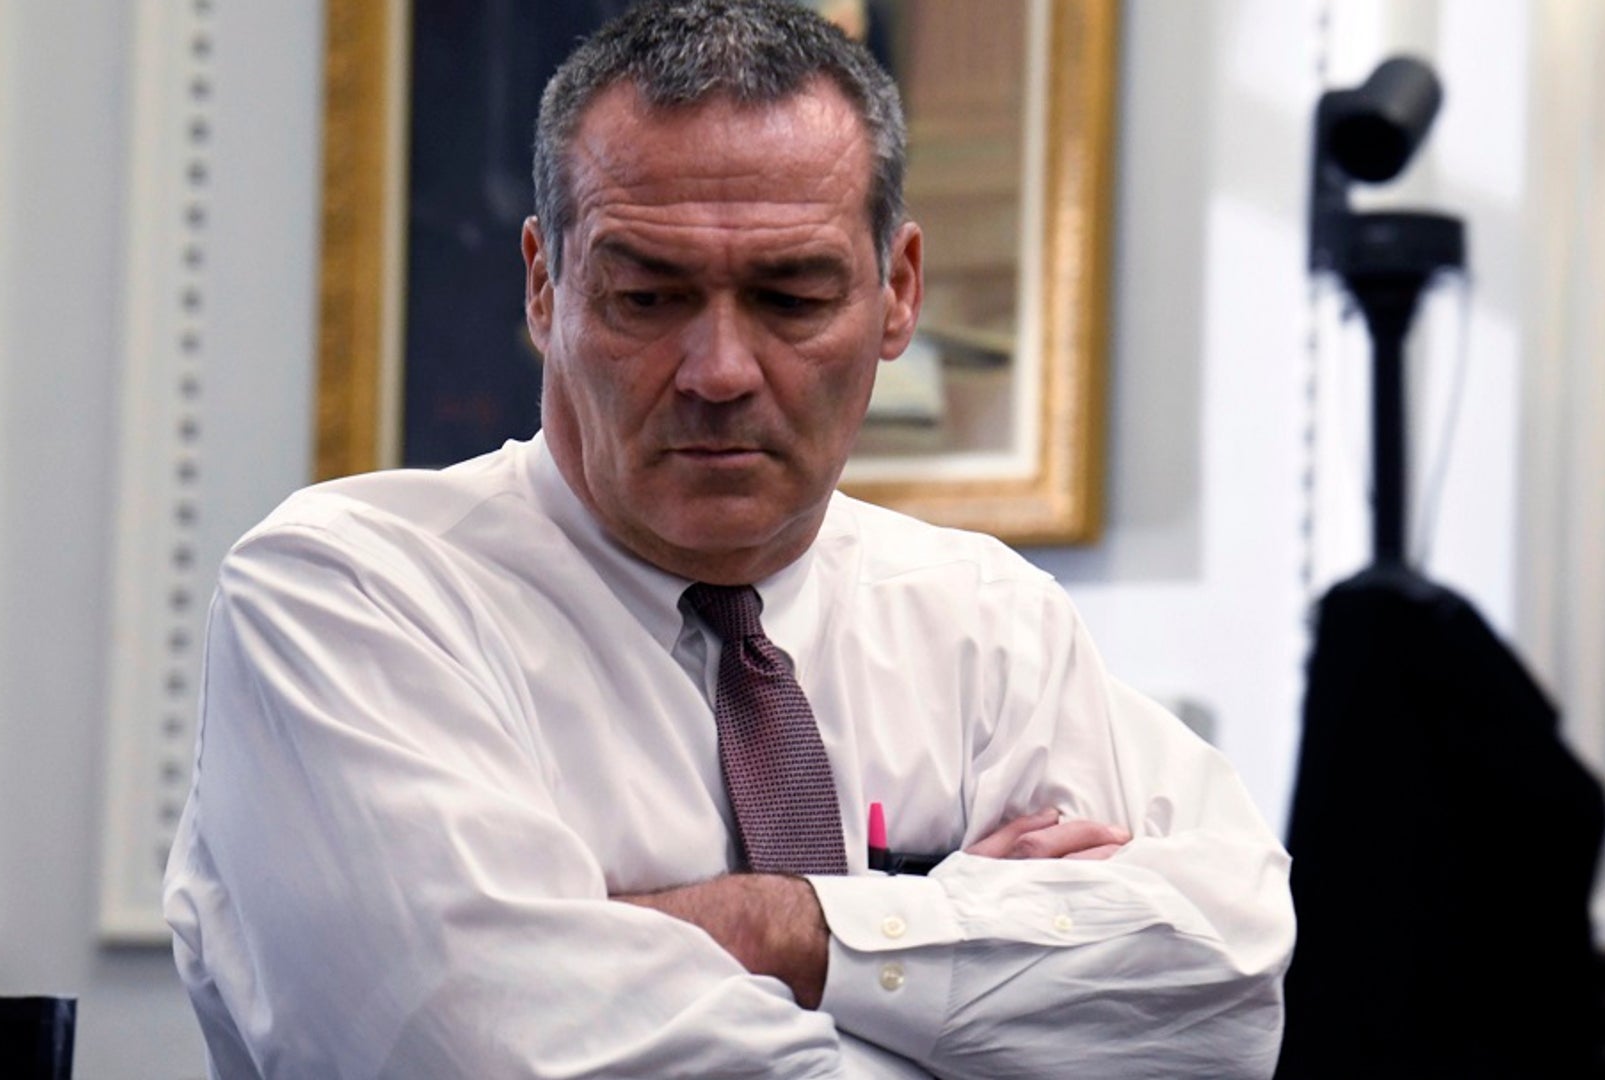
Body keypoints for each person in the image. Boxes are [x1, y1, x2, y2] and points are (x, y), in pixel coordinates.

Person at [163, 1, 1294, 1076]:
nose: (719, 372)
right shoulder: (348, 595)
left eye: (792, 299)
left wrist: (781, 925)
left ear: (899, 293)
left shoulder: (991, 629)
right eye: (647, 298)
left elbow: (1226, 995)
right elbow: (494, 1052)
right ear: (544, 286)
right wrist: (953, 968)